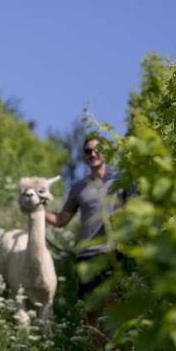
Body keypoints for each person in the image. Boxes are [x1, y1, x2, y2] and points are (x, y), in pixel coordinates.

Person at [45, 134, 129, 338]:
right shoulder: (78, 188)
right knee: (90, 311)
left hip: (113, 252)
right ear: (84, 156)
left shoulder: (121, 180)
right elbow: (61, 220)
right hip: (87, 256)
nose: (93, 154)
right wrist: (37, 210)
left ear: (105, 152)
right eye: (88, 151)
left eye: (97, 149)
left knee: (112, 305)